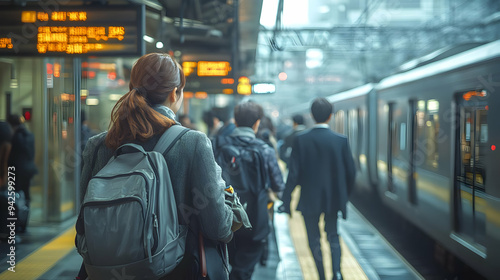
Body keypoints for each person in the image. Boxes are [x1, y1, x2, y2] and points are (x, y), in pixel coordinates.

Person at [78, 53, 237, 279]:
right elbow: (217, 227)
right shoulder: (193, 142)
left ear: (132, 87)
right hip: (176, 271)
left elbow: (84, 223)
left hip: (106, 272)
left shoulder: (97, 145)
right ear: (175, 93)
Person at [280, 98, 356, 280]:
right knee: (333, 235)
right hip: (333, 198)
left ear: (312, 116)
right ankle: (337, 273)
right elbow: (351, 173)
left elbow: (293, 174)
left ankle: (321, 275)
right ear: (330, 116)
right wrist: (344, 195)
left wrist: (286, 200)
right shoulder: (341, 141)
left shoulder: (301, 140)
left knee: (313, 239)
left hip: (309, 199)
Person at [221, 101, 285, 280]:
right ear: (257, 123)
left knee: (229, 263)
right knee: (243, 270)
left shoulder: (218, 145)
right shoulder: (265, 150)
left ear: (235, 120)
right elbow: (278, 185)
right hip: (255, 220)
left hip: (225, 218)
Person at [7, 115, 37, 207]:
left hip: (16, 170)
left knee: (14, 194)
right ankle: (25, 214)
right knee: (26, 192)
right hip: (28, 168)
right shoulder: (30, 135)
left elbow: (12, 156)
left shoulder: (14, 137)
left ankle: (16, 215)